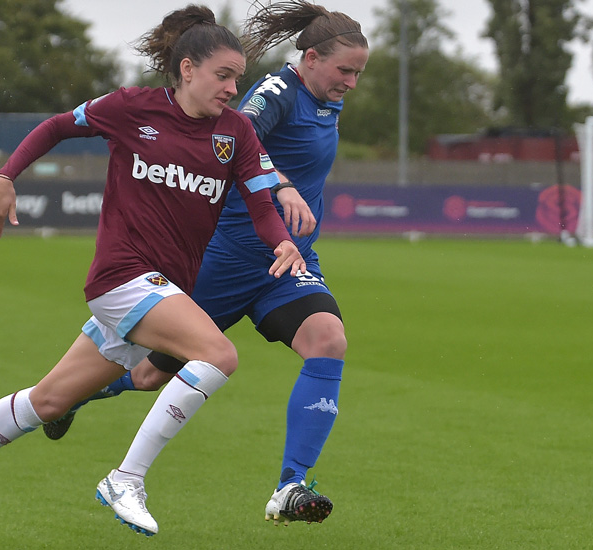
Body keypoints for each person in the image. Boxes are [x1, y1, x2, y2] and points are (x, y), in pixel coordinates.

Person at [0, 5, 306, 534]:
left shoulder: (237, 134)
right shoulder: (131, 108)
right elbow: (55, 127)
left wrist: (283, 245)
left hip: (161, 289)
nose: (232, 88)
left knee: (46, 402)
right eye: (223, 75)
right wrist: (6, 176)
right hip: (121, 276)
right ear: (187, 69)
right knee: (218, 354)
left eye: (238, 78)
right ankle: (127, 478)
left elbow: (260, 207)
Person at [46, 1, 369, 536]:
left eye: (358, 73)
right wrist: (281, 185)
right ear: (310, 59)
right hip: (224, 259)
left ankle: (291, 485)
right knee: (149, 374)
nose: (352, 83)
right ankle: (71, 395)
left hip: (285, 263)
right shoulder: (276, 94)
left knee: (328, 339)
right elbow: (233, 132)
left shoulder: (324, 99)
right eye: (345, 71)